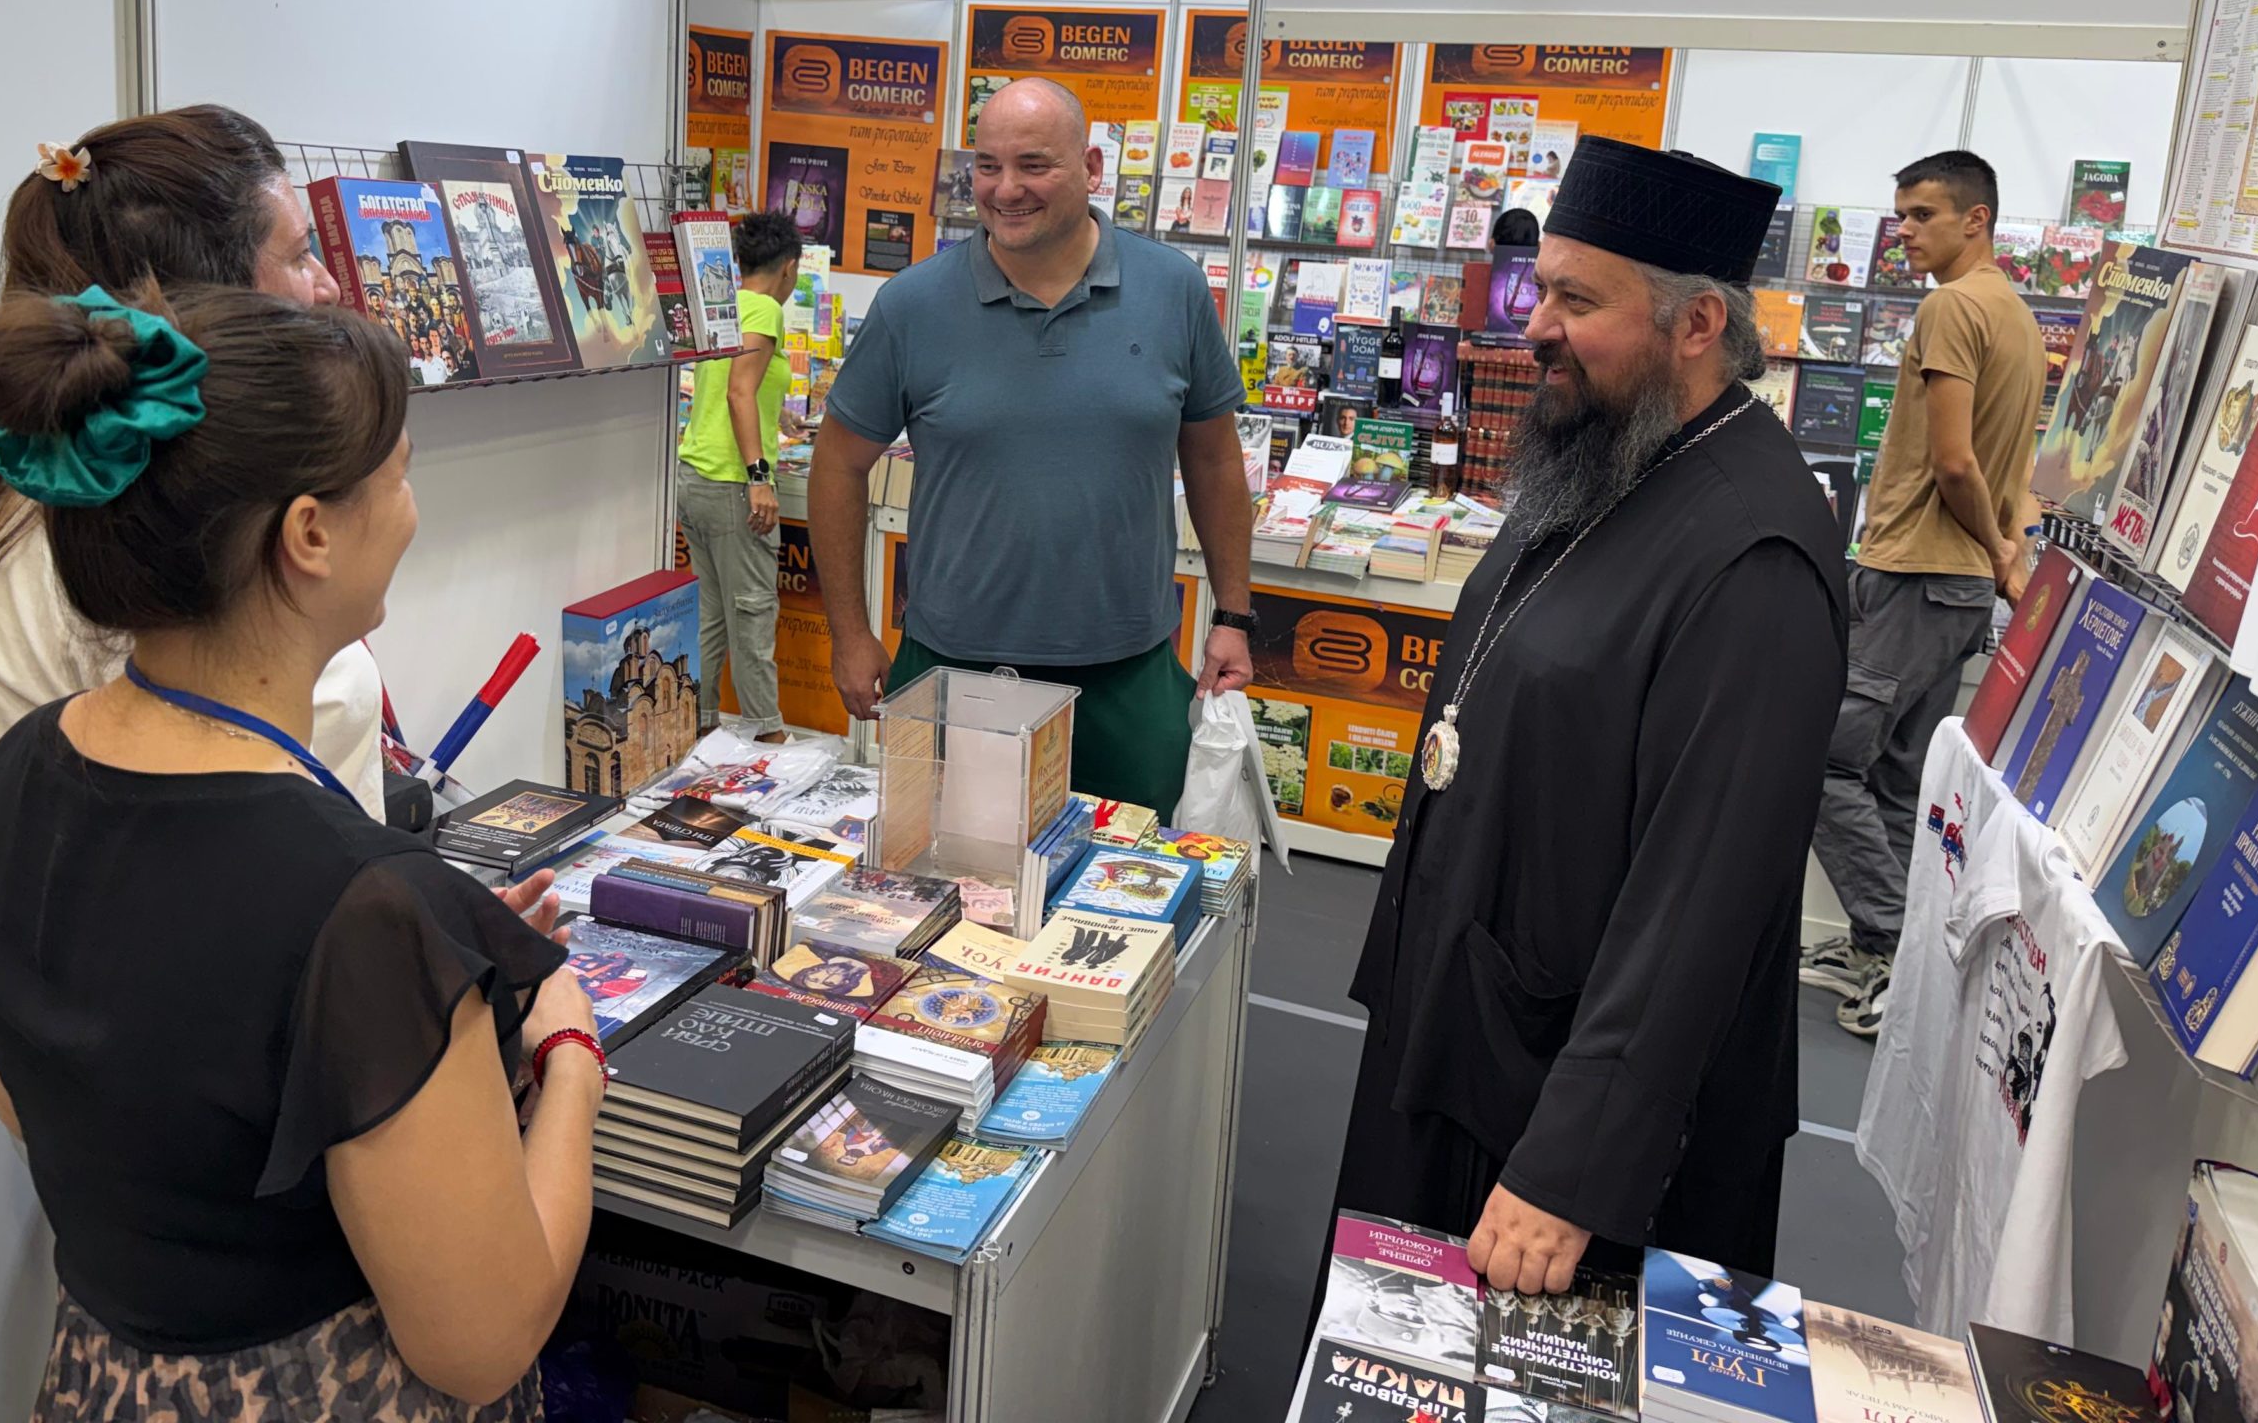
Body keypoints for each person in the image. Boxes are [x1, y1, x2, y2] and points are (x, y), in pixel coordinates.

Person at [0, 283, 599, 1417]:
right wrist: (566, 1050)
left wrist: (418, 984)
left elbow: (38, 1100)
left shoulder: (19, 775)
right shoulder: (365, 907)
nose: (412, 511)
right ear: (309, 534)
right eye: (399, 475)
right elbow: (479, 1344)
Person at [1332, 136, 1846, 1295]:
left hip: (1564, 1118)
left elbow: (1701, 896)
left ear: (1695, 323)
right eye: (1540, 289)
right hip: (1471, 1024)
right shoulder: (1610, 447)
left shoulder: (1753, 556)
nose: (1535, 325)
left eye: (1576, 300)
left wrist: (1573, 1167)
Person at [0, 106, 391, 818]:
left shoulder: (84, 494)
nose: (327, 287)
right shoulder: (125, 526)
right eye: (297, 256)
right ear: (213, 301)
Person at [808, 76, 1256, 818]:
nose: (1005, 189)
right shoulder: (912, 306)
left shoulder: (1172, 289)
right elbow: (838, 465)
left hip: (1130, 673)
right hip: (954, 670)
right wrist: (850, 634)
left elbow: (1213, 459)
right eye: (987, 166)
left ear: (1092, 168)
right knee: (942, 876)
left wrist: (1233, 616)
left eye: (1033, 165)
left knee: (1132, 881)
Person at [1802, 150, 2044, 1039]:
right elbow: (2009, 469)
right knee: (1899, 779)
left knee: (1822, 761)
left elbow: (1955, 463)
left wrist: (2000, 554)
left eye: (1921, 215)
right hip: (1950, 588)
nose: (1901, 231)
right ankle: (1895, 957)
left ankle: (1896, 953)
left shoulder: (1951, 307)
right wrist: (2001, 557)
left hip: (1919, 574)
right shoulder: (2016, 315)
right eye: (1899, 214)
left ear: (1976, 219)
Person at [674, 209, 807, 743]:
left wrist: (779, 415)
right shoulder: (765, 309)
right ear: (789, 267)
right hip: (732, 484)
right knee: (752, 612)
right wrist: (759, 477)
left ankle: (700, 724)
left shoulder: (726, 303)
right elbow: (738, 391)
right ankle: (768, 735)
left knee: (711, 614)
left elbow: (731, 386)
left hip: (694, 476)